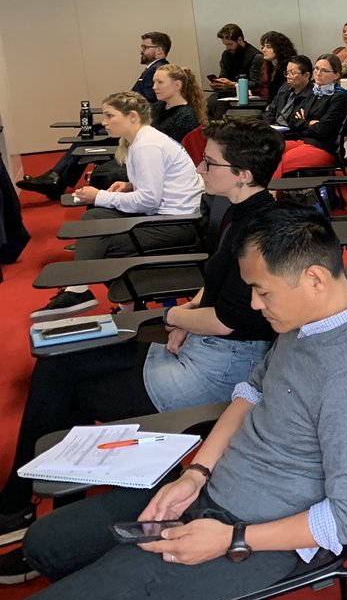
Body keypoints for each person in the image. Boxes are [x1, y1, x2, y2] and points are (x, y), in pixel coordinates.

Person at [12, 204, 347, 600]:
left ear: (314, 279)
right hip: (214, 489)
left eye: (262, 291)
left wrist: (231, 538)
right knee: (45, 543)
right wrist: (196, 473)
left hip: (259, 530)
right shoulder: (308, 317)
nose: (253, 304)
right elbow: (252, 390)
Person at [0, 120, 285, 564]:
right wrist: (187, 316)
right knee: (60, 361)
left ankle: (32, 514)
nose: (199, 167)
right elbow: (215, 286)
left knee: (69, 383)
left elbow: (229, 320)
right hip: (204, 345)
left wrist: (172, 315)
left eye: (210, 162)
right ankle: (37, 510)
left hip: (220, 369)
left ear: (244, 174)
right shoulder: (235, 209)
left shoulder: (261, 231)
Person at [33, 92, 205, 319]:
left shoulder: (146, 146)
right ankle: (85, 292)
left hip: (177, 225)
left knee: (104, 242)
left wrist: (99, 196)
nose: (103, 122)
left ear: (132, 116)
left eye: (109, 116)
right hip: (165, 216)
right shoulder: (143, 140)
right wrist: (129, 185)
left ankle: (97, 297)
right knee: (93, 219)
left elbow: (148, 200)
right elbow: (157, 186)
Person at [19, 64, 206, 200]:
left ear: (177, 86)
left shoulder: (186, 116)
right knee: (100, 166)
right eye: (154, 82)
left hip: (158, 167)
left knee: (103, 174)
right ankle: (95, 216)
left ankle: (101, 217)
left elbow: (168, 154)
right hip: (145, 157)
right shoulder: (159, 107)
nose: (154, 87)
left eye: (159, 82)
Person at [275, 54, 347, 177]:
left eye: (324, 70)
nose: (318, 73)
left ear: (336, 75)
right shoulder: (314, 91)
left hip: (322, 147)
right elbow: (291, 120)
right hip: (302, 140)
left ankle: (272, 194)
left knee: (280, 162)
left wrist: (304, 122)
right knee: (268, 150)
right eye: (316, 69)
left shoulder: (339, 97)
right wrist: (309, 123)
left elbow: (323, 130)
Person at [208, 24, 264, 114]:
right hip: (228, 93)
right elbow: (223, 75)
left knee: (220, 107)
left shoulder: (256, 57)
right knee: (210, 103)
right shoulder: (226, 55)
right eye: (225, 45)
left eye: (230, 44)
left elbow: (256, 83)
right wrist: (218, 83)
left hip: (248, 95)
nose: (227, 48)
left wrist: (233, 84)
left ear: (240, 40)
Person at [262, 55, 314, 129]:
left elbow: (297, 121)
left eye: (292, 73)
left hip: (290, 132)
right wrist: (268, 127)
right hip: (274, 129)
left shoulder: (312, 95)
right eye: (287, 72)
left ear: (306, 75)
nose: (288, 76)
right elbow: (271, 110)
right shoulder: (285, 87)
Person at [133, 31, 172, 102]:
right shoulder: (153, 68)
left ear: (159, 50)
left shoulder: (157, 70)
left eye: (145, 47)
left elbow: (147, 99)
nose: (141, 50)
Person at [257, 31, 296, 100]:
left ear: (279, 49)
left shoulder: (287, 67)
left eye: (268, 47)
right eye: (263, 47)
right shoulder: (270, 66)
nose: (263, 50)